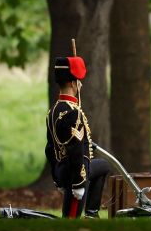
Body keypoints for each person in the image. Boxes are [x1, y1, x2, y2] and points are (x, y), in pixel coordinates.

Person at [44, 56, 110, 218]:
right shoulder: (73, 113)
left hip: (63, 170)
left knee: (102, 166)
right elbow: (75, 150)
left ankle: (92, 214)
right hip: (75, 174)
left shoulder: (53, 111)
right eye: (78, 81)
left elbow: (49, 149)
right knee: (70, 222)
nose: (80, 84)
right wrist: (78, 183)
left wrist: (57, 178)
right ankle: (88, 214)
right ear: (73, 84)